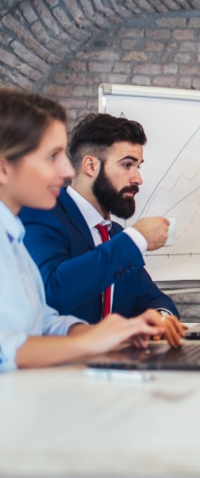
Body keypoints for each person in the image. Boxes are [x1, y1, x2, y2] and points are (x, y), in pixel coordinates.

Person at [0, 90, 182, 372]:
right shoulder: (38, 216)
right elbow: (9, 345)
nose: (65, 170)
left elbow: (45, 320)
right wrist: (137, 239)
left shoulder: (13, 235)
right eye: (52, 156)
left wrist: (114, 332)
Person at [19, 113, 180, 324]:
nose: (138, 179)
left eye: (138, 166)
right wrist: (137, 238)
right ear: (91, 166)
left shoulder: (115, 234)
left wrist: (162, 319)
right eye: (126, 165)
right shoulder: (42, 213)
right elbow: (53, 294)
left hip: (121, 356)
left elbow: (153, 299)